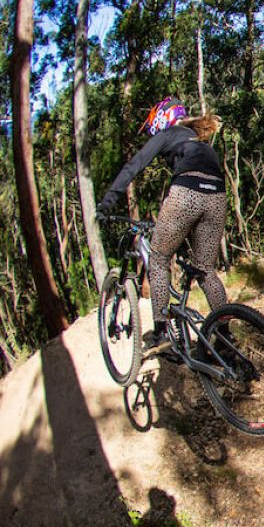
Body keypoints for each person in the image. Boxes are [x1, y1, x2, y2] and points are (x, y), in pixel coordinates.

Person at [97, 98, 227, 352]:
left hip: (186, 193)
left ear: (162, 118)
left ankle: (160, 332)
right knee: (206, 270)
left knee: (158, 258)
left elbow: (134, 166)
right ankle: (225, 336)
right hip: (218, 196)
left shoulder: (169, 133)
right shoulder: (199, 141)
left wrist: (106, 204)